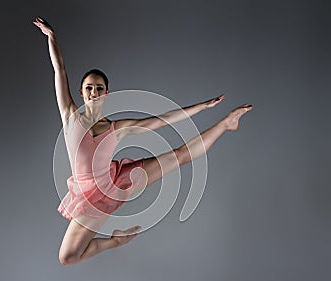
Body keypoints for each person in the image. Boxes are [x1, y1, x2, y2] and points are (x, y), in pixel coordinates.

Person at [33, 16, 252, 266]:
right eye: (89, 88)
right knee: (68, 257)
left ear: (108, 93)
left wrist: (200, 107)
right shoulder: (70, 117)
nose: (94, 93)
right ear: (82, 92)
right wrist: (52, 37)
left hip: (117, 180)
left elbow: (162, 120)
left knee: (180, 156)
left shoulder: (118, 128)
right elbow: (59, 69)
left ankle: (226, 123)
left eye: (99, 88)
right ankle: (114, 242)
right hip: (90, 196)